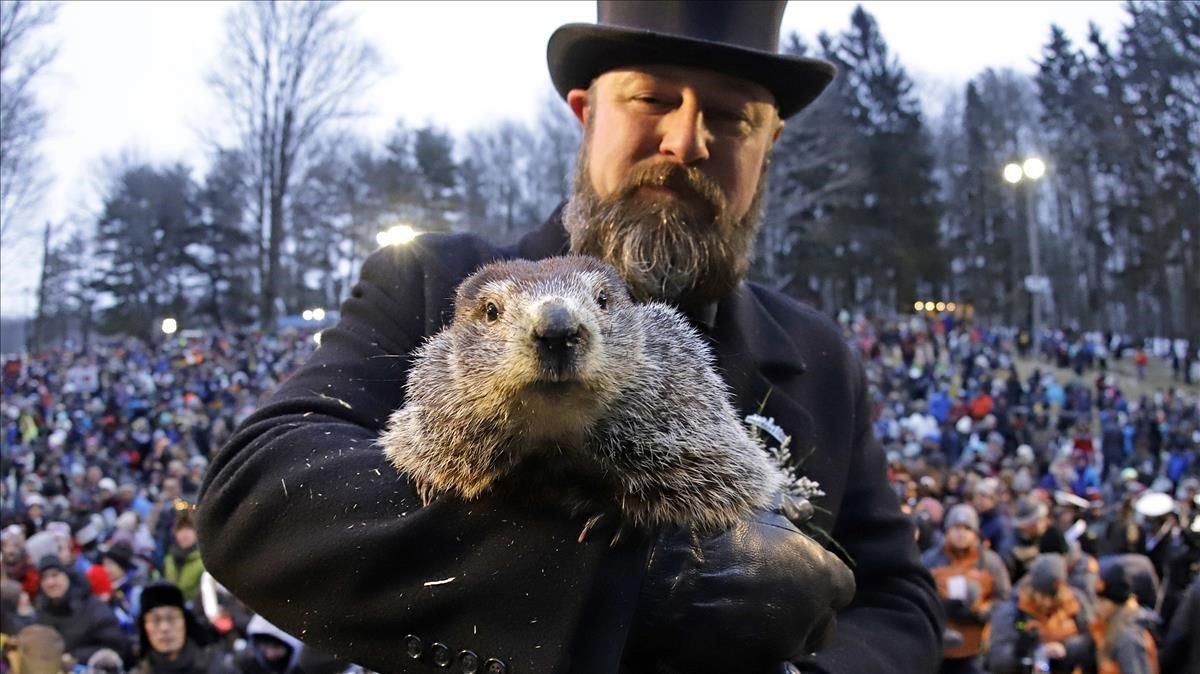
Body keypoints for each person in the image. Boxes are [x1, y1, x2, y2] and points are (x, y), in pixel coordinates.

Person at [197, 2, 941, 672]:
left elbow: (898, 604)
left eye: (731, 116)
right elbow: (260, 498)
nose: (686, 140)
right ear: (587, 113)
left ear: (770, 141)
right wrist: (628, 589)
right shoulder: (430, 278)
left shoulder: (819, 355)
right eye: (652, 98)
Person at [922, 504, 1011, 674]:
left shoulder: (991, 562)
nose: (961, 533)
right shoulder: (930, 560)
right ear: (947, 530)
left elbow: (1004, 598)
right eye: (956, 527)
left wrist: (985, 611)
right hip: (941, 646)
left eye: (967, 528)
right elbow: (919, 596)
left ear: (975, 533)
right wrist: (941, 606)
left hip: (977, 648)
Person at [987, 554, 1094, 674]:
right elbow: (997, 660)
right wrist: (1028, 651)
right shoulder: (1013, 610)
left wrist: (1066, 649)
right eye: (1042, 596)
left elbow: (1092, 640)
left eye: (1053, 596)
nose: (1047, 602)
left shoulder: (1077, 603)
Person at [31, 556, 129, 666]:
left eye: (55, 575)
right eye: (44, 578)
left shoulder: (93, 608)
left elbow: (115, 647)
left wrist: (74, 657)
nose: (50, 582)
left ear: (67, 575)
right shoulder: (42, 612)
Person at [133, 583, 224, 674]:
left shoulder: (216, 665)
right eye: (156, 620)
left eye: (171, 618)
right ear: (144, 627)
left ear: (185, 622)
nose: (164, 628)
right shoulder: (140, 670)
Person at [1088, 564, 1158, 674]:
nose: (1097, 607)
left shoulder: (1129, 638)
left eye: (1102, 601)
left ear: (1115, 603)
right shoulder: (1110, 625)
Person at [161, 514, 203, 604]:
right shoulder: (169, 559)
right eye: (180, 529)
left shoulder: (203, 561)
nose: (184, 534)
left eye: (189, 529)